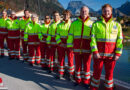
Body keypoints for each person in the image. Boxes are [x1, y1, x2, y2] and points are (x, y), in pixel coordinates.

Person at [90, 4, 123, 90]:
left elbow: (120, 40)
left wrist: (118, 54)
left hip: (111, 56)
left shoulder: (117, 25)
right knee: (96, 74)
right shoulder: (96, 24)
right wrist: (95, 52)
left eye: (108, 10)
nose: (106, 12)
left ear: (111, 12)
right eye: (105, 10)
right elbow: (92, 39)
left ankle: (108, 88)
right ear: (102, 12)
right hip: (98, 55)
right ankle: (93, 88)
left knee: (109, 74)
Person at [67, 6, 93, 87]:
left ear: (88, 12)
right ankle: (78, 80)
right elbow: (70, 35)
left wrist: (93, 49)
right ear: (80, 12)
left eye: (85, 11)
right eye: (82, 11)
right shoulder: (74, 23)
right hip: (77, 49)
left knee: (87, 66)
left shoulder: (92, 24)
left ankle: (86, 82)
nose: (84, 12)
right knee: (77, 66)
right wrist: (70, 46)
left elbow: (94, 38)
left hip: (87, 49)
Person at [55, 10, 74, 80]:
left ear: (69, 16)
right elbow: (56, 35)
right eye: (64, 15)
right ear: (63, 15)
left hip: (69, 44)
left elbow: (74, 35)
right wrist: (60, 43)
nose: (66, 16)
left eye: (67, 15)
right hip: (61, 44)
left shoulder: (72, 24)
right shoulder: (59, 25)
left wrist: (69, 44)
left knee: (70, 59)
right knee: (61, 59)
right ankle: (61, 73)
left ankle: (70, 74)